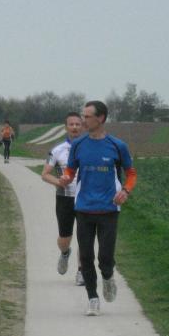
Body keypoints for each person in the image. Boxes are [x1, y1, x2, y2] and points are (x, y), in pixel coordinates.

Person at [59, 101, 137, 316]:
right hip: (84, 209)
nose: (83, 120)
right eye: (83, 116)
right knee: (85, 257)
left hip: (108, 210)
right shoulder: (79, 145)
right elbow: (70, 170)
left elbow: (131, 174)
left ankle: (108, 276)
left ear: (100, 118)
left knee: (105, 258)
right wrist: (66, 178)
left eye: (87, 116)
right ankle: (92, 298)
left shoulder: (117, 145)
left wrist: (126, 191)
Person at [41, 112, 84, 285]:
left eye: (78, 124)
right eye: (71, 124)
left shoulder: (90, 148)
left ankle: (82, 271)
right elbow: (45, 174)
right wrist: (60, 182)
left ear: (82, 127)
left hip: (86, 199)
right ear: (66, 127)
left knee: (85, 237)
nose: (74, 127)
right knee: (64, 238)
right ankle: (65, 253)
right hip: (64, 198)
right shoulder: (57, 150)